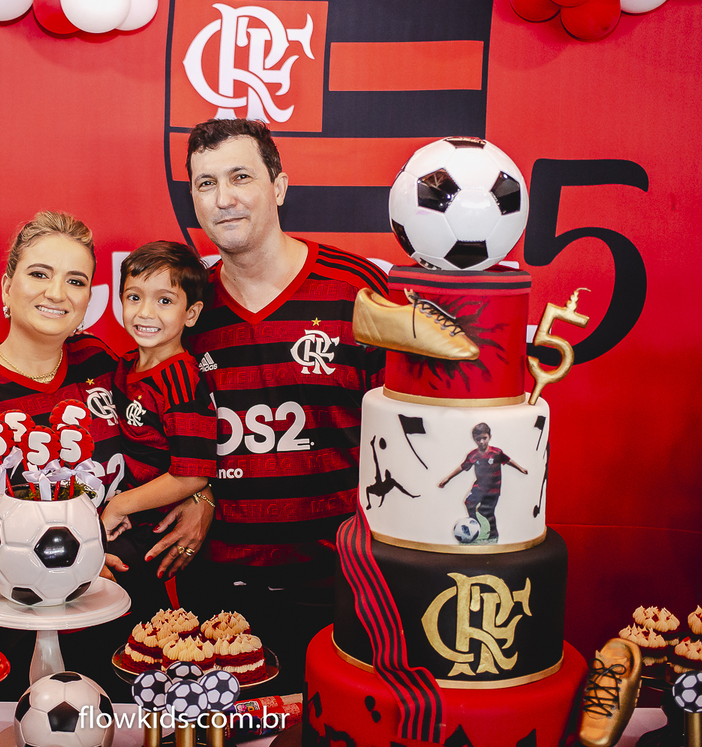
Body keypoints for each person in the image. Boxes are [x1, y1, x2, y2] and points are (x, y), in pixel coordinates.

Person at [161, 117, 394, 693]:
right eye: (206, 183)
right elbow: (166, 441)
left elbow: (408, 439)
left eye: (240, 177)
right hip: (219, 596)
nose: (224, 198)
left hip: (343, 588)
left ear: (280, 187)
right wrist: (202, 492)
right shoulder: (186, 309)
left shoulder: (356, 289)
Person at [0, 211, 126, 696]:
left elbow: (161, 449)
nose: (57, 293)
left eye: (75, 281)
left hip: (113, 615)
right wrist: (61, 560)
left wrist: (199, 496)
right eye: (39, 274)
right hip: (14, 625)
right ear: (6, 287)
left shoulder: (103, 364)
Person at [101, 240, 217, 622]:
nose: (145, 312)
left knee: (150, 629)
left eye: (164, 300)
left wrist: (118, 506)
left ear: (191, 313)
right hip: (131, 521)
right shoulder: (124, 366)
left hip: (158, 531)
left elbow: (193, 474)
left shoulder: (180, 379)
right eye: (134, 297)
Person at [437, 422, 528, 543]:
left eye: (484, 438)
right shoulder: (473, 455)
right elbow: (462, 467)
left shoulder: (496, 453)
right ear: (474, 439)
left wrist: (521, 468)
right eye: (478, 439)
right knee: (469, 503)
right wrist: (448, 478)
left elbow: (508, 460)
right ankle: (475, 526)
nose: (481, 442)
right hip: (479, 487)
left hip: (493, 489)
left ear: (489, 437)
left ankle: (493, 533)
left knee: (485, 511)